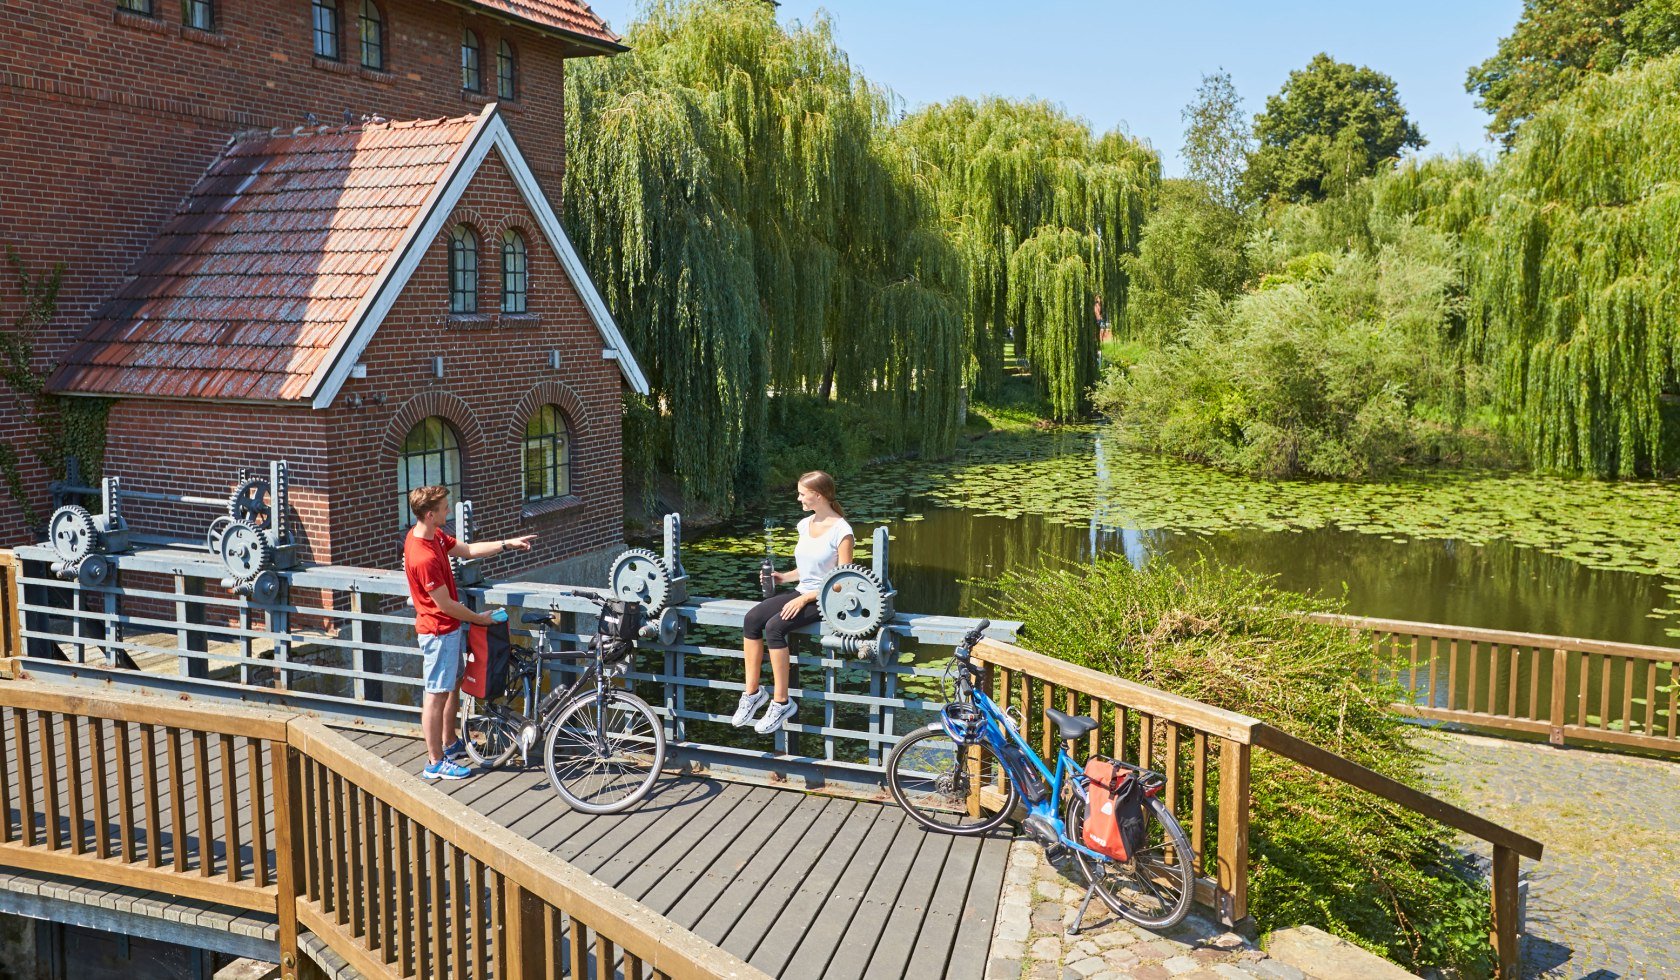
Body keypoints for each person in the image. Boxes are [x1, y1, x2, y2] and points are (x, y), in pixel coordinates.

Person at [403, 485, 534, 780]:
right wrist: (480, 620)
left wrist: (507, 544)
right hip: (438, 633)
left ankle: (449, 743)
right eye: (444, 508)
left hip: (447, 631)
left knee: (451, 685)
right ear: (429, 514)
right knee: (435, 695)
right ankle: (435, 762)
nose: (449, 511)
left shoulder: (431, 535)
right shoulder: (421, 556)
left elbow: (468, 549)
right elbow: (446, 605)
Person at [731, 471, 854, 734]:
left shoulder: (843, 532)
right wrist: (782, 577)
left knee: (775, 627)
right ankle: (752, 694)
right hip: (802, 592)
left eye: (801, 493)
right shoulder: (804, 524)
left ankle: (781, 702)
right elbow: (807, 569)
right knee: (752, 620)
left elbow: (842, 581)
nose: (798, 498)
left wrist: (807, 598)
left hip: (825, 600)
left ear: (817, 496)